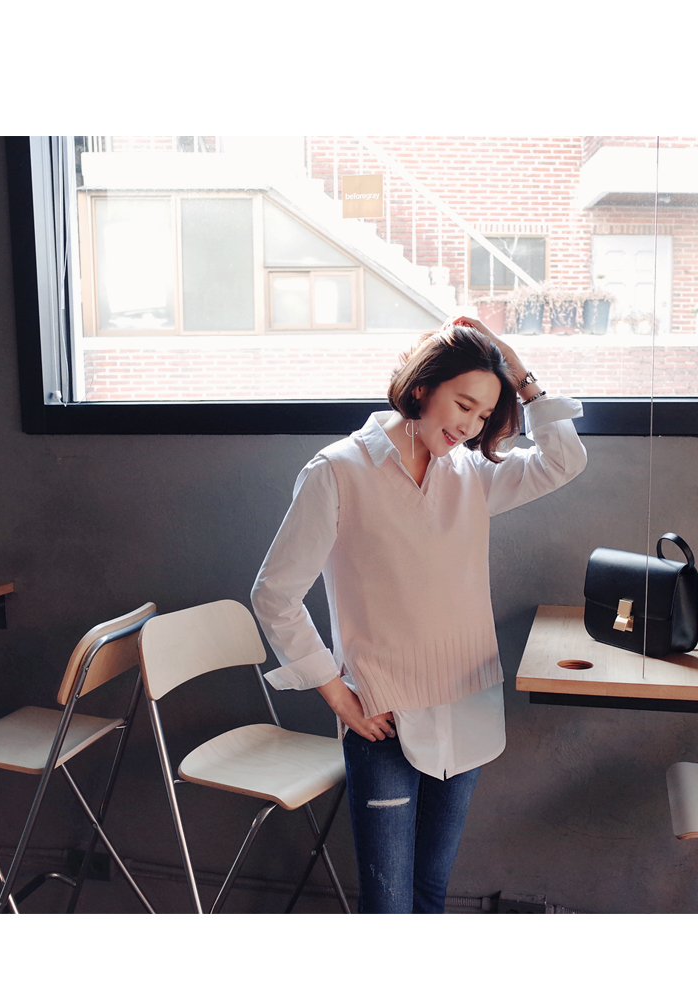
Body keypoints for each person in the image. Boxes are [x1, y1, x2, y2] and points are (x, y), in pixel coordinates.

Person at [251, 316, 586, 913]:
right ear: (421, 386)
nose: (471, 426)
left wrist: (521, 377)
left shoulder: (471, 473)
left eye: (485, 415)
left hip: (467, 699)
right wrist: (336, 693)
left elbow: (563, 460)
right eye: (463, 404)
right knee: (389, 907)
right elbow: (274, 593)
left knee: (432, 894)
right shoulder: (338, 471)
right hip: (384, 715)